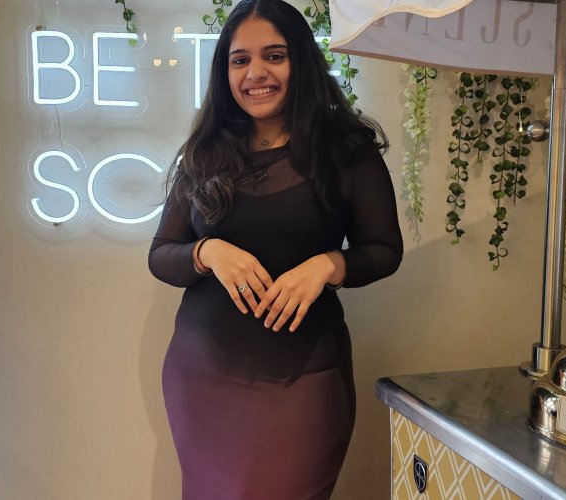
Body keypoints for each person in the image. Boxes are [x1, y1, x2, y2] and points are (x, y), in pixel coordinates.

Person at [148, 0, 403, 498]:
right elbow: (161, 254)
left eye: (274, 56)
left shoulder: (346, 150)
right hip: (202, 373)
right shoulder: (206, 151)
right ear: (225, 72)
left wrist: (332, 264)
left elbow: (384, 250)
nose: (255, 73)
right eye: (240, 60)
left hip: (305, 378)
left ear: (300, 61)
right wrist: (207, 252)